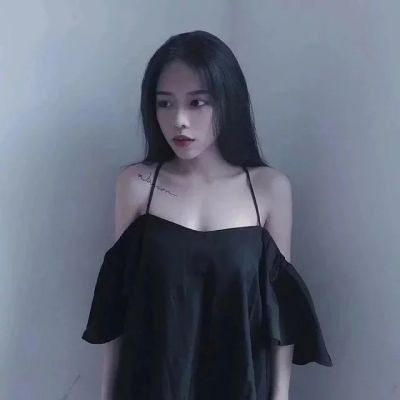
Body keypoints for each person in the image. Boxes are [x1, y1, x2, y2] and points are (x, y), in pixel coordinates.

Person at [82, 30, 332, 400]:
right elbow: (115, 306)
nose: (179, 120)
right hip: (151, 385)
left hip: (239, 385)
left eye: (197, 102)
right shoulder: (136, 184)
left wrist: (280, 397)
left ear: (229, 102)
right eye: (165, 103)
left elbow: (280, 316)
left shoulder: (269, 189)